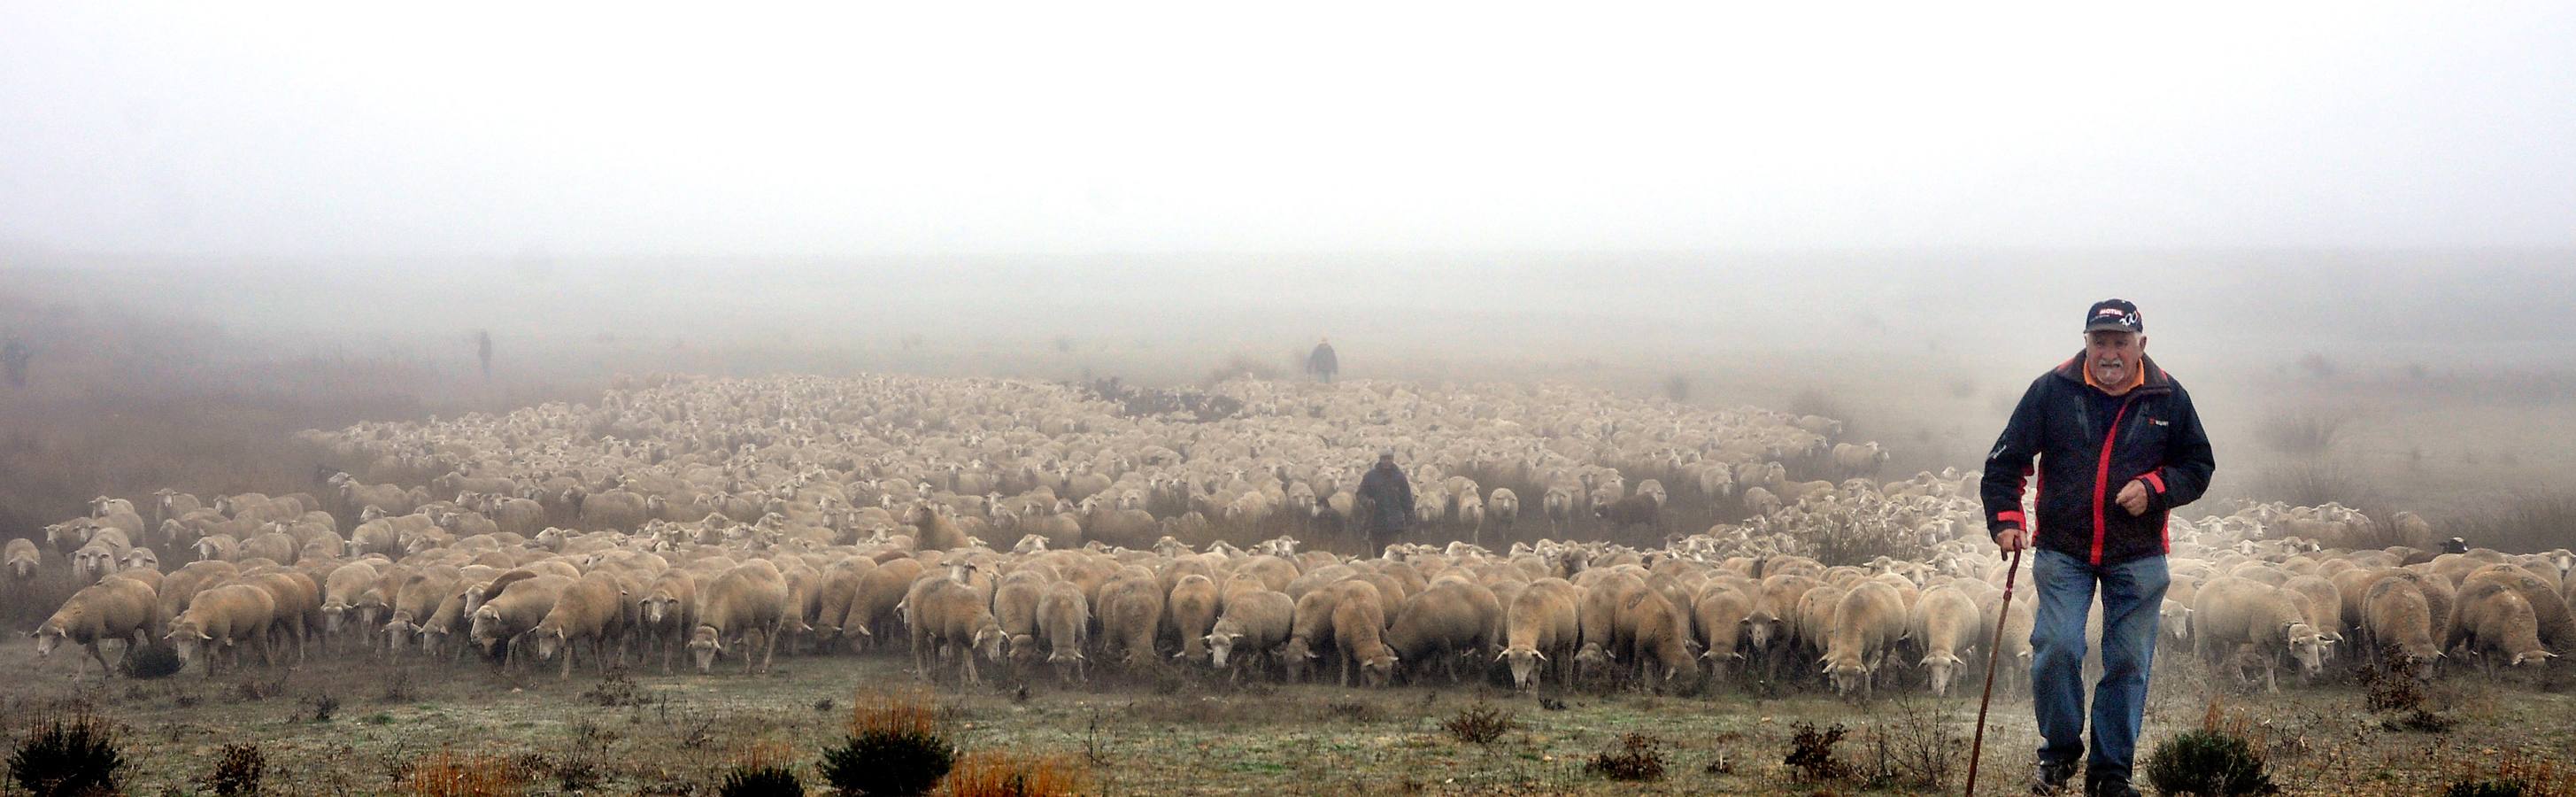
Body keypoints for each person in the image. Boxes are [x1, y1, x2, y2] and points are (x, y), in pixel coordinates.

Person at [1982, 298, 2215, 797]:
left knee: (2129, 661)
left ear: (2141, 345)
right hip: (2063, 547)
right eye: (2100, 341)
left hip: (2138, 552)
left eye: (2120, 342)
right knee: (2057, 647)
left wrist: (2154, 488)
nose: (2110, 352)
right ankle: (2059, 753)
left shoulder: (2167, 396)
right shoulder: (2052, 390)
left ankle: (2111, 773)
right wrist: (2006, 519)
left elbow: (2198, 466)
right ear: (2086, 342)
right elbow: (2006, 460)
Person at [1354, 449, 1414, 553]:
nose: (1386, 461)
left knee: (1394, 552)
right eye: (1384, 459)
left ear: (1393, 460)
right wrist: (1367, 502)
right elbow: (1360, 494)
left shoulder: (1399, 477)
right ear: (1380, 460)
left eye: (1389, 459)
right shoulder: (1370, 476)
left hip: (1394, 523)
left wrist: (1410, 518)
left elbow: (1406, 499)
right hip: (1376, 521)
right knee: (1378, 553)